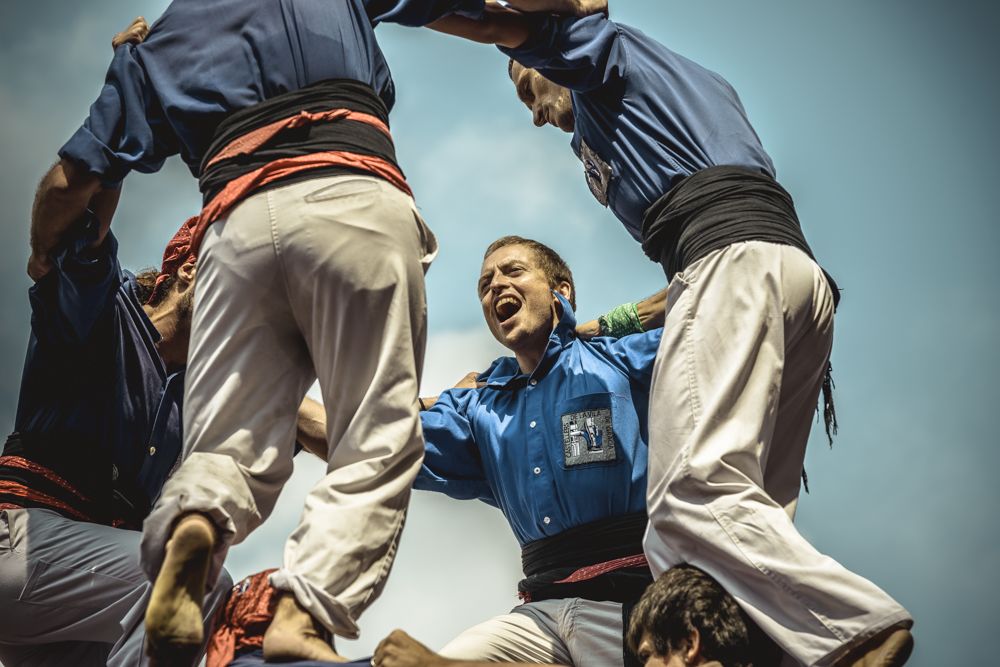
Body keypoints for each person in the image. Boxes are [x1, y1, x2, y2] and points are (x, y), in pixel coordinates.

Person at [425, 6, 913, 666]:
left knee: (688, 498)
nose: (534, 112)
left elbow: (523, 21)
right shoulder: (665, 92)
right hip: (789, 276)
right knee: (749, 521)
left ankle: (858, 629)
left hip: (730, 266)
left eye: (527, 86)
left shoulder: (596, 56)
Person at [26, 0, 492, 663]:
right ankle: (306, 608)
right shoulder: (110, 317)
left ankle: (195, 522)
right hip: (352, 186)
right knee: (375, 436)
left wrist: (42, 249)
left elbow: (76, 179)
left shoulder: (173, 29)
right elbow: (481, 12)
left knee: (223, 446)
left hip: (235, 220)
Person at [370, 235, 663, 667]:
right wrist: (281, 407)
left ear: (561, 291)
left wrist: (614, 322)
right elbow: (375, 441)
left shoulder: (616, 358)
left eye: (513, 271)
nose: (495, 285)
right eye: (484, 284)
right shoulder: (480, 407)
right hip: (539, 612)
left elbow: (717, 297)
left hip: (633, 601)